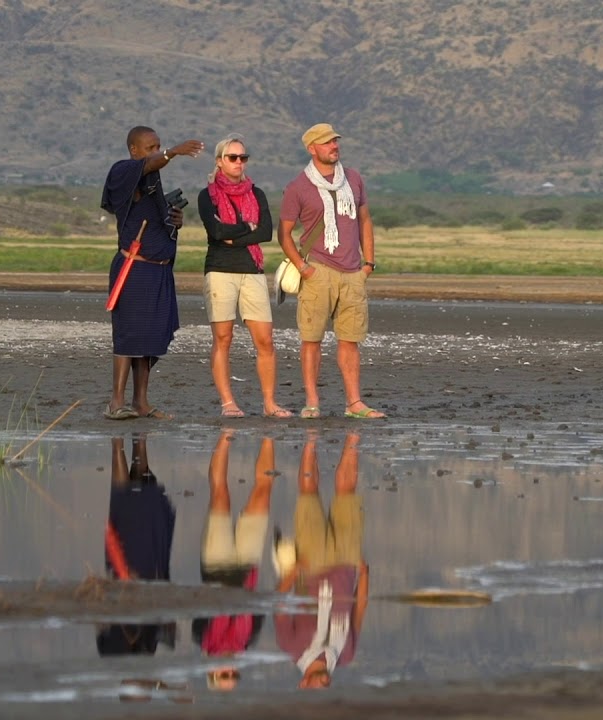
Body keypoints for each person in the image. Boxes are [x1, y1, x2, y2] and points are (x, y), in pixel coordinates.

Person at [278, 123, 386, 420]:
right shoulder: (298, 186)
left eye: (335, 141)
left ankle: (354, 403)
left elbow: (365, 220)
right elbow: (284, 233)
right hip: (318, 271)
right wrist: (303, 268)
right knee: (311, 339)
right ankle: (312, 402)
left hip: (353, 272)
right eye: (326, 142)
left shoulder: (353, 178)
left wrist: (368, 264)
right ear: (312, 148)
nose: (334, 146)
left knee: (350, 340)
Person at [100, 126, 203, 421]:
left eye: (159, 145)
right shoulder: (123, 172)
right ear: (134, 150)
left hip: (159, 270)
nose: (157, 151)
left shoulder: (151, 182)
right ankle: (115, 402)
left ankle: (141, 402)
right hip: (134, 267)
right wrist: (174, 151)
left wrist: (174, 221)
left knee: (150, 338)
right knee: (129, 335)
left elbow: (154, 214)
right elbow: (150, 163)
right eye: (150, 147)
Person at [197, 135, 292, 419]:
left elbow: (264, 232)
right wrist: (244, 228)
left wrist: (234, 235)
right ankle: (228, 403)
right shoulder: (208, 195)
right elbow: (216, 233)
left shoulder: (257, 193)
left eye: (243, 157)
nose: (239, 162)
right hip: (219, 271)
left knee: (265, 340)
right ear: (219, 161)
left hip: (252, 270)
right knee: (223, 338)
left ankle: (269, 403)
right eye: (232, 157)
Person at [274, 432, 370, 690]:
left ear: (304, 684)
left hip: (311, 566)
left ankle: (310, 439)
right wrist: (365, 576)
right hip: (348, 565)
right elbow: (358, 610)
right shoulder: (345, 656)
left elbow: (279, 605)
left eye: (316, 692)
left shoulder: (291, 648)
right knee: (347, 491)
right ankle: (352, 437)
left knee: (308, 493)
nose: (323, 689)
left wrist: (294, 572)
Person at [191, 429, 276, 691]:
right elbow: (258, 604)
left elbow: (200, 602)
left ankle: (224, 437)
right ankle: (268, 434)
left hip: (216, 565)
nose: (230, 671)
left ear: (212, 672)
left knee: (220, 494)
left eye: (223, 675)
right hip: (247, 563)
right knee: (263, 492)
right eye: (233, 675)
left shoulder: (201, 638)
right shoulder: (249, 640)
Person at [97, 434, 177, 655]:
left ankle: (120, 440)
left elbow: (102, 626)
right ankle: (136, 439)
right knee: (140, 504)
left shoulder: (113, 655)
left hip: (125, 575)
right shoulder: (142, 650)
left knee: (125, 503)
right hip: (144, 574)